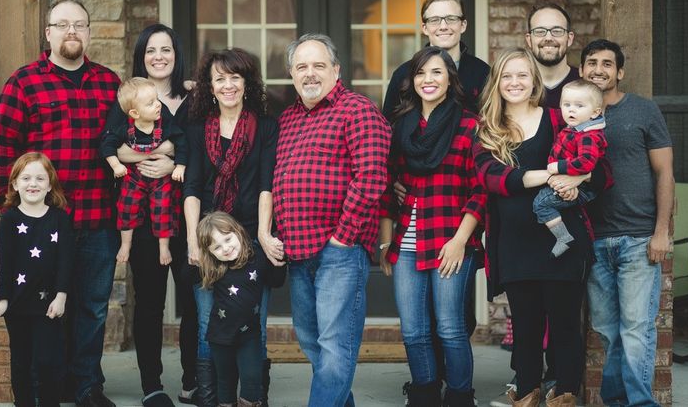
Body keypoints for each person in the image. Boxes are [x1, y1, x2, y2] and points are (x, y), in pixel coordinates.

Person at [0, 0, 120, 407]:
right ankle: (50, 385)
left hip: (98, 217)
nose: (71, 32)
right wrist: (5, 203)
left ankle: (86, 386)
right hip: (43, 224)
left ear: (88, 32)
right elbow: (3, 148)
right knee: (42, 306)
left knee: (93, 307)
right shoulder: (23, 83)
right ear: (48, 33)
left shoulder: (109, 83)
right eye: (62, 25)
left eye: (79, 25)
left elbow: (128, 140)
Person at [474, 47, 611, 407]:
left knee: (565, 324)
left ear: (534, 80)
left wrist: (579, 178)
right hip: (515, 244)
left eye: (522, 74)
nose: (515, 82)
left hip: (562, 243)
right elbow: (496, 181)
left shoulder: (558, 120)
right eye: (507, 75)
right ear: (497, 82)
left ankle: (564, 392)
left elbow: (601, 170)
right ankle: (527, 392)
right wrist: (552, 173)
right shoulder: (488, 130)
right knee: (526, 327)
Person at [273, 33, 391, 407]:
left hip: (337, 250)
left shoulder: (357, 110)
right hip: (298, 250)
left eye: (319, 65)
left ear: (336, 70)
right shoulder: (288, 117)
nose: (310, 74)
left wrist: (343, 237)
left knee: (335, 345)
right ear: (291, 73)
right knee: (311, 341)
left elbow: (372, 176)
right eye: (301, 67)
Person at [378, 46, 485, 407]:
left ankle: (459, 397)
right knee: (413, 330)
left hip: (451, 239)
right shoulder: (400, 126)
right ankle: (424, 393)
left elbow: (480, 189)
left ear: (450, 79)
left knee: (450, 328)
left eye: (437, 72)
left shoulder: (470, 125)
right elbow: (387, 187)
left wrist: (460, 241)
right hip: (407, 239)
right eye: (421, 73)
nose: (428, 80)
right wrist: (385, 243)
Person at [105, 23, 198, 407]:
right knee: (150, 304)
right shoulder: (127, 100)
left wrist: (172, 160)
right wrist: (156, 158)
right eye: (150, 51)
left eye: (166, 50)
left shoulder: (195, 99)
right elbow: (115, 149)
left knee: (194, 301)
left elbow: (202, 151)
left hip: (190, 217)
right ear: (141, 57)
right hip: (144, 223)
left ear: (176, 55)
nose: (159, 57)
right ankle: (151, 385)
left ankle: (193, 379)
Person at [184, 48, 281, 407]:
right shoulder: (197, 130)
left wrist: (264, 235)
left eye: (234, 78)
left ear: (246, 83)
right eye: (219, 79)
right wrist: (195, 241)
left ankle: (254, 398)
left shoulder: (266, 126)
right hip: (210, 239)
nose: (228, 85)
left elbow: (266, 184)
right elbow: (192, 187)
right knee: (211, 323)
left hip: (251, 239)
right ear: (210, 86)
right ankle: (214, 399)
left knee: (254, 322)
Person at [582, 39, 674, 407]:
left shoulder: (643, 110)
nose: (599, 69)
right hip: (593, 239)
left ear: (619, 72)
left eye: (607, 64)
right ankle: (617, 400)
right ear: (582, 70)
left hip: (637, 238)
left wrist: (661, 231)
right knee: (607, 331)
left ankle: (639, 403)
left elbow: (664, 172)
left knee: (635, 329)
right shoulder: (574, 113)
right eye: (592, 63)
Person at [0, 152, 75, 407]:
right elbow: (5, 264)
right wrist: (3, 300)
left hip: (49, 305)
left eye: (40, 178)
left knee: (47, 362)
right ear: (15, 183)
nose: (33, 184)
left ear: (50, 184)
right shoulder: (9, 220)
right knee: (22, 363)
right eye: (26, 178)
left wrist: (61, 296)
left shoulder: (59, 219)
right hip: (17, 306)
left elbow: (65, 262)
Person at [195, 212, 286, 407]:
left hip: (250, 336)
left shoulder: (257, 257)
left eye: (228, 239)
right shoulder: (212, 267)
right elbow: (186, 277)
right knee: (225, 382)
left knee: (252, 379)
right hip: (220, 337)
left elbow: (276, 281)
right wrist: (195, 256)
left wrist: (280, 257)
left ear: (238, 232)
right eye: (217, 247)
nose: (226, 248)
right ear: (209, 251)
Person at [101, 77, 187, 267]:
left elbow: (181, 142)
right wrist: (116, 165)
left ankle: (163, 246)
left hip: (161, 180)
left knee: (163, 208)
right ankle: (126, 244)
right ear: (134, 113)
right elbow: (107, 146)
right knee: (126, 207)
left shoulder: (165, 124)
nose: (158, 105)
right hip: (134, 177)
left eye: (157, 100)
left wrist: (179, 166)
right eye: (151, 103)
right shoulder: (124, 127)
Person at [383, 0, 489, 116]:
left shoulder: (483, 73)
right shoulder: (404, 74)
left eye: (451, 19)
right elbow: (389, 125)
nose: (443, 26)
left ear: (463, 25)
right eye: (434, 20)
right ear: (425, 28)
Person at [533, 80, 607, 258]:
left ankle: (563, 237)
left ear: (595, 112)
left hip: (584, 189)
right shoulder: (574, 129)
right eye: (566, 105)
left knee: (541, 203)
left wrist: (558, 167)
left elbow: (586, 162)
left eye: (579, 106)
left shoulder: (588, 135)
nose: (571, 110)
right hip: (572, 182)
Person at [525, 3, 580, 109]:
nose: (548, 38)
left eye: (557, 31)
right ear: (529, 39)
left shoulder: (585, 84)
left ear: (569, 39)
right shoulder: (516, 87)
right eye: (540, 31)